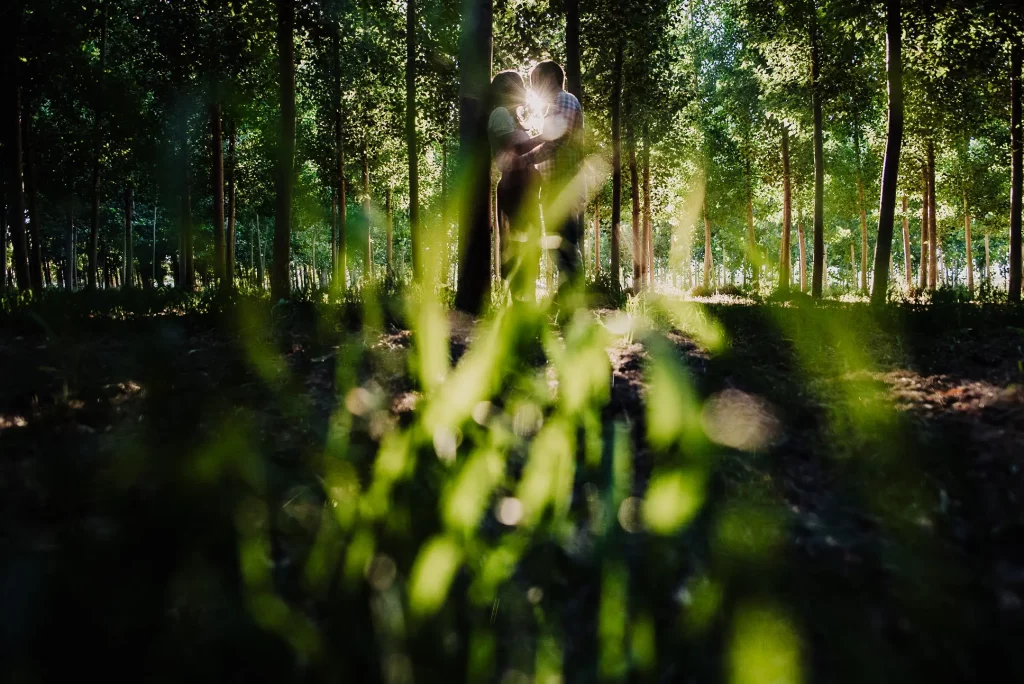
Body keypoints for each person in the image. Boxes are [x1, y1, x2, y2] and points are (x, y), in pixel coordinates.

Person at [521, 60, 585, 302]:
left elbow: (557, 140)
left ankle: (573, 307)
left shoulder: (565, 100)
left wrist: (525, 158)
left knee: (565, 246)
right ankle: (568, 303)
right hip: (552, 187)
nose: (532, 88)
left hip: (564, 186)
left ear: (548, 79)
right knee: (556, 247)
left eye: (535, 82)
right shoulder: (552, 108)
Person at [488, 70, 542, 302]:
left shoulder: (512, 117)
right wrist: (546, 137)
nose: (524, 91)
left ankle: (525, 307)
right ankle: (519, 308)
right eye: (519, 86)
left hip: (526, 189)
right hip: (514, 189)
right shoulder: (499, 114)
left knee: (531, 247)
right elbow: (516, 149)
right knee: (520, 247)